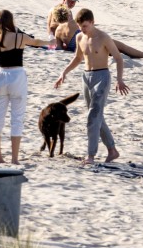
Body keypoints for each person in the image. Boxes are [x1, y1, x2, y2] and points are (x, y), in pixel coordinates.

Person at [55, 8, 129, 164]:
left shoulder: (103, 38)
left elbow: (118, 58)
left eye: (85, 26)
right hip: (86, 77)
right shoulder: (80, 37)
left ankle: (91, 155)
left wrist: (119, 79)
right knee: (97, 116)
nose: (82, 29)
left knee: (92, 117)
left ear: (92, 22)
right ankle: (112, 150)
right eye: (81, 26)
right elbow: (78, 58)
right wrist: (64, 72)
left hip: (102, 76)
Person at [0, 9, 46, 164]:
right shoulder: (19, 37)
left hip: (1, 76)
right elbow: (36, 42)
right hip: (17, 76)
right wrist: (51, 43)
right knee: (17, 119)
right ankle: (15, 159)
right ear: (11, 21)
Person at [49, 0, 143, 58]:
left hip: (79, 47)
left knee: (112, 52)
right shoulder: (73, 22)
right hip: (89, 41)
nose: (72, 4)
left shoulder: (58, 32)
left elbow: (59, 48)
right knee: (121, 47)